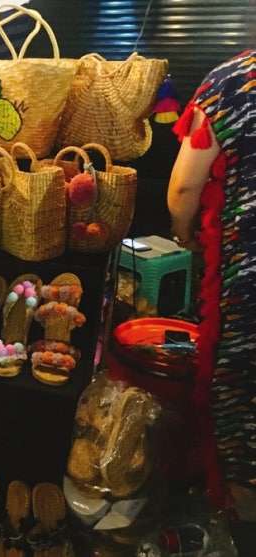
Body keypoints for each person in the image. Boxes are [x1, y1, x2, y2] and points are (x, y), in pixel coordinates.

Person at [167, 48, 256, 521]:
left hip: (248, 275)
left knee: (242, 394)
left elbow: (184, 187)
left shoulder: (233, 81)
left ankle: (244, 516)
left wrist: (185, 235)